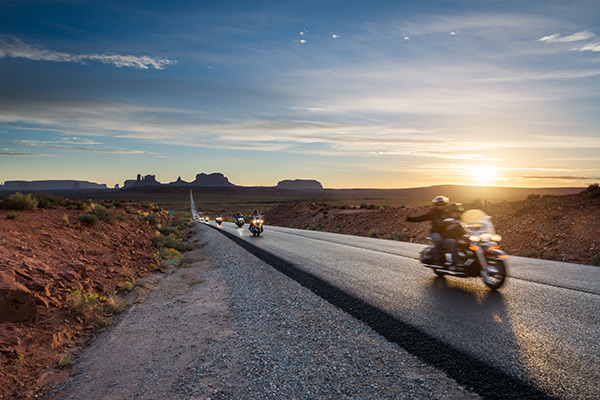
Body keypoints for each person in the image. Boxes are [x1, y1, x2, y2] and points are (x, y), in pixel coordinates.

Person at [406, 196, 449, 265]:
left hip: (445, 233)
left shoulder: (447, 213)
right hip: (435, 232)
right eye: (439, 204)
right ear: (435, 205)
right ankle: (437, 259)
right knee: (439, 240)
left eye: (442, 204)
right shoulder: (432, 213)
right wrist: (410, 219)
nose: (441, 206)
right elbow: (421, 218)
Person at [440, 202, 466, 268]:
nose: (455, 213)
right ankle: (455, 262)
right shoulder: (446, 220)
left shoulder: (460, 220)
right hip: (446, 238)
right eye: (453, 212)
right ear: (449, 212)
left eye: (456, 212)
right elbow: (444, 231)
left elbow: (466, 227)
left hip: (458, 238)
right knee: (452, 242)